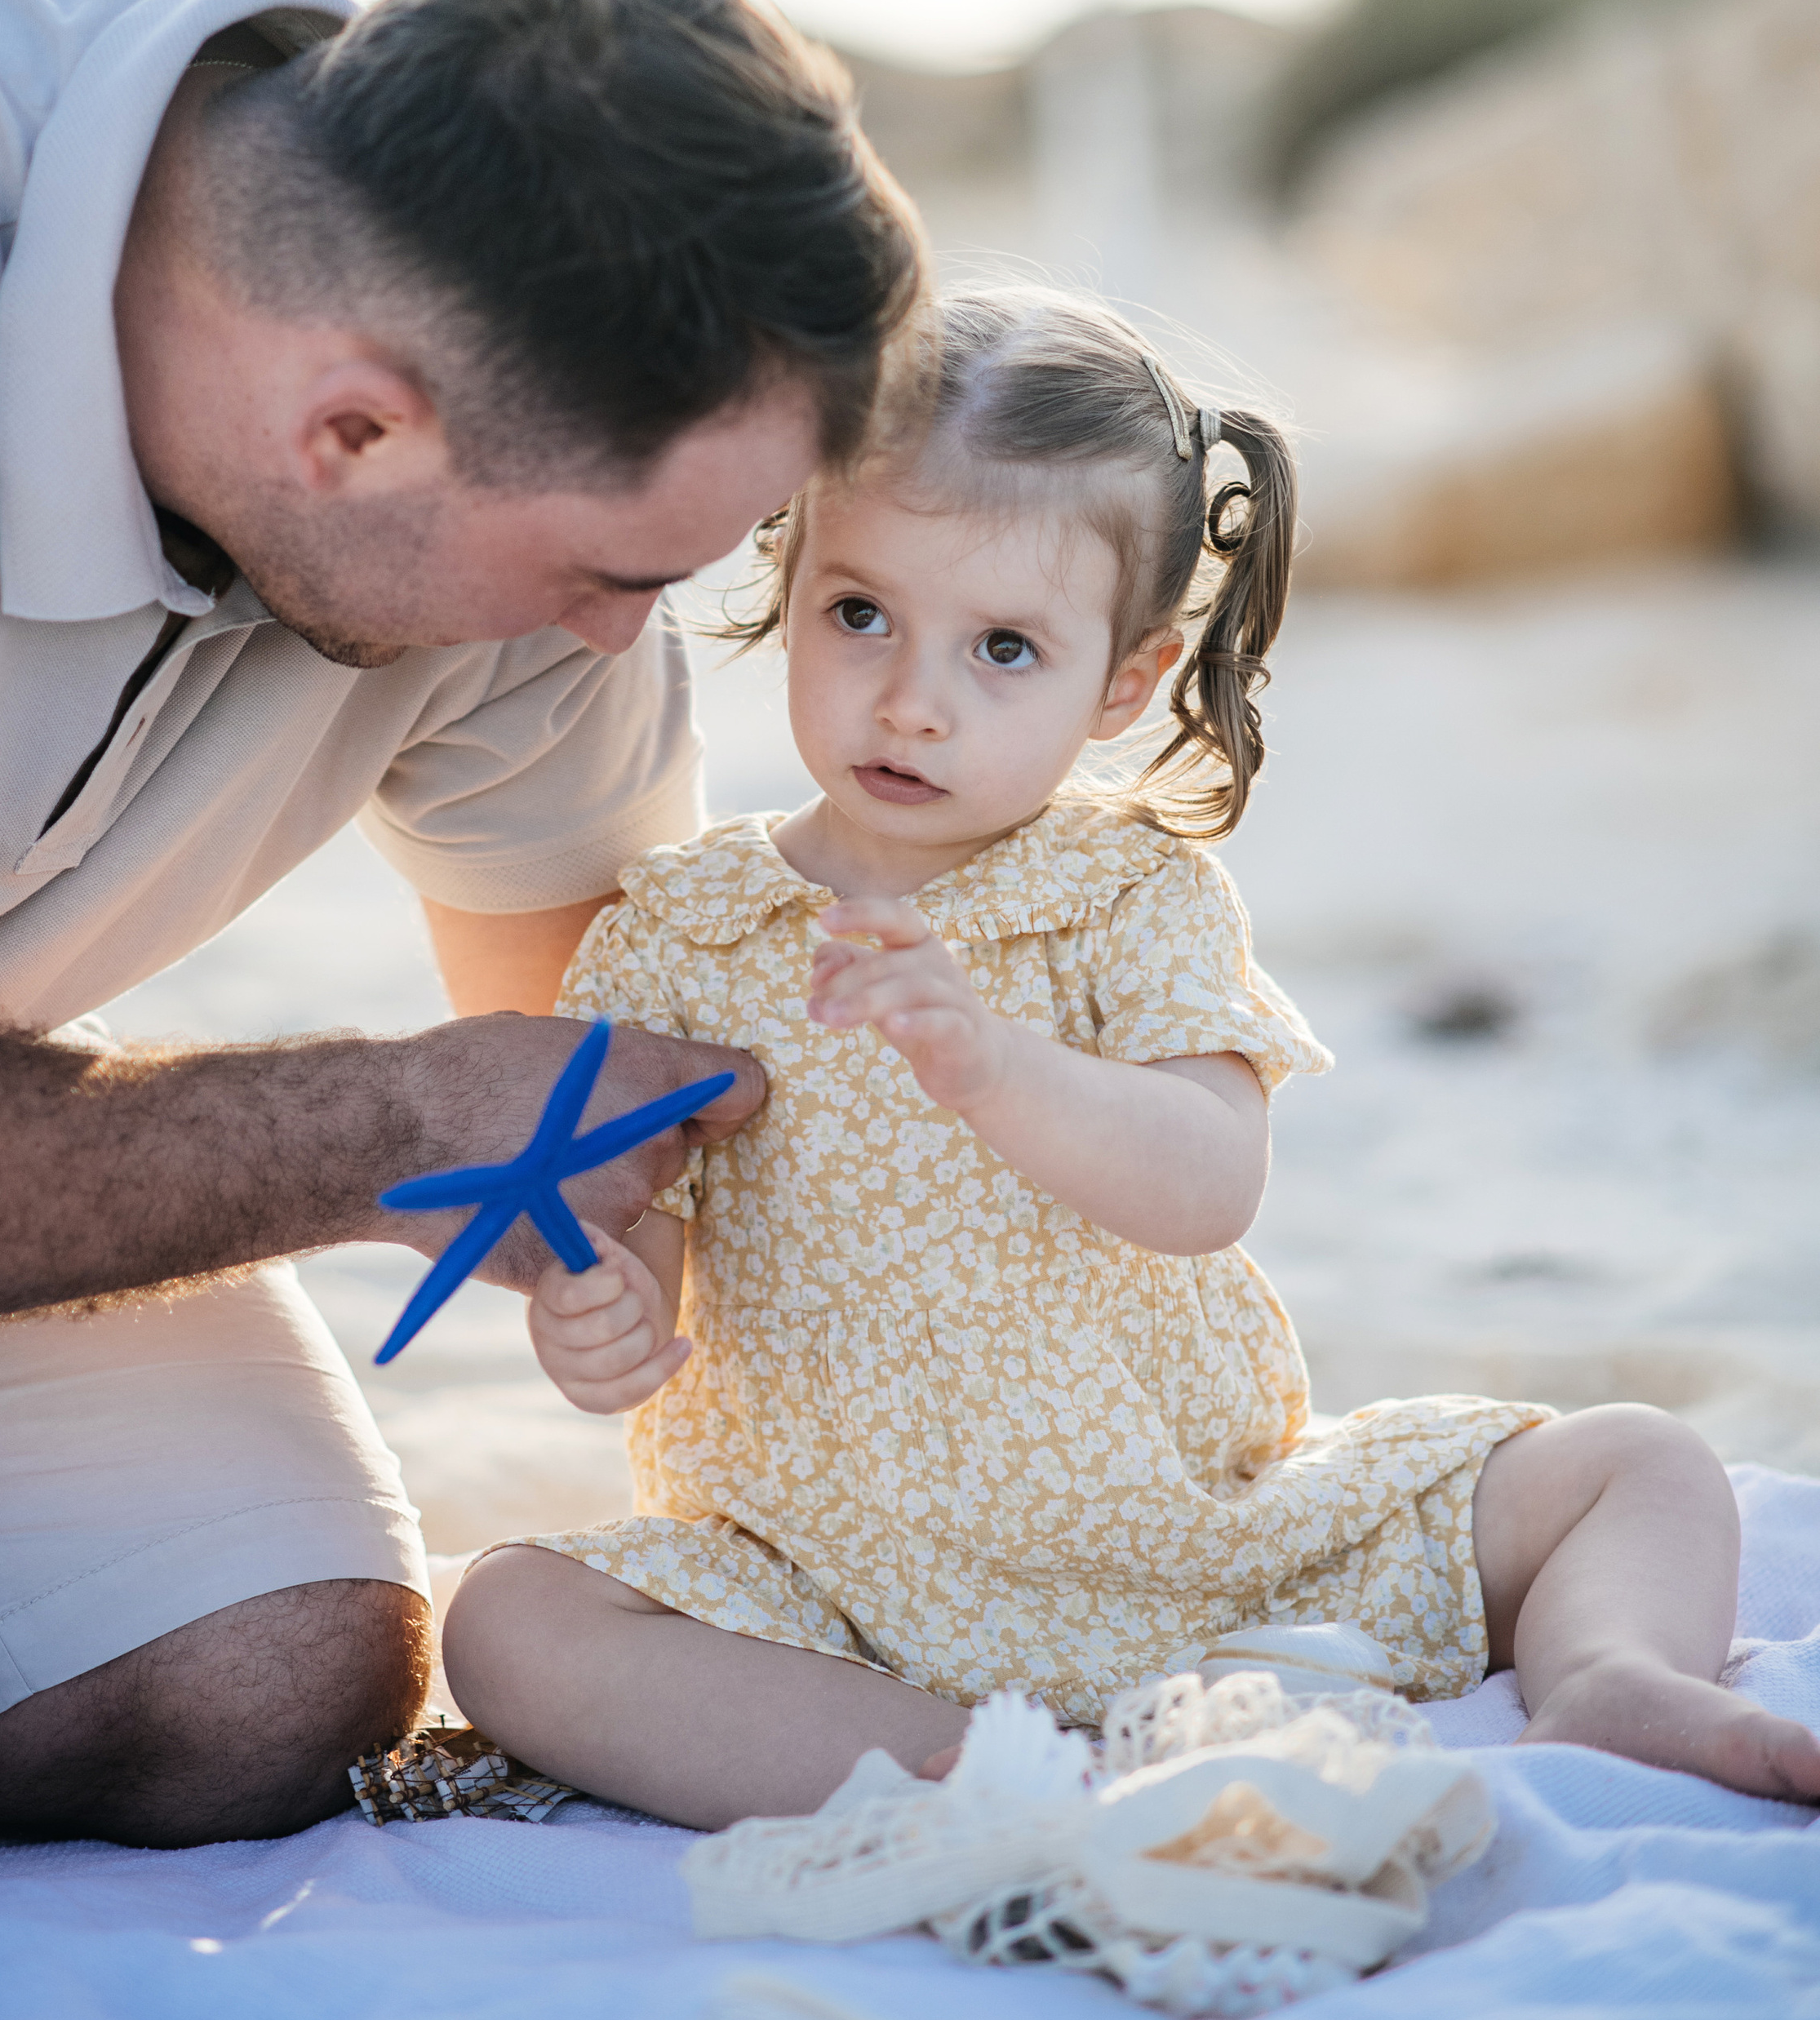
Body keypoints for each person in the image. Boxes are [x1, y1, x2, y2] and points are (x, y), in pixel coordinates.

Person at [0, 0, 921, 1844]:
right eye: (615, 575)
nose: (627, 647)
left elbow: (616, 1063)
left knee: (253, 1687)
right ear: (350, 429)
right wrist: (393, 1126)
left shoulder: (480, 364)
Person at [443, 289, 1820, 1827]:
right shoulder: (682, 930)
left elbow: (1208, 1180)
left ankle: (1609, 1677)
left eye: (1006, 648)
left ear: (1121, 681)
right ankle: (1006, 1773)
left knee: (1642, 1463)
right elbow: (649, 1238)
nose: (913, 697)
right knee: (508, 1621)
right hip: (819, 1572)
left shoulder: (1127, 899)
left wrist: (990, 1066)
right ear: (789, 566)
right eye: (861, 614)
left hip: (1192, 1542)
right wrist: (601, 1311)